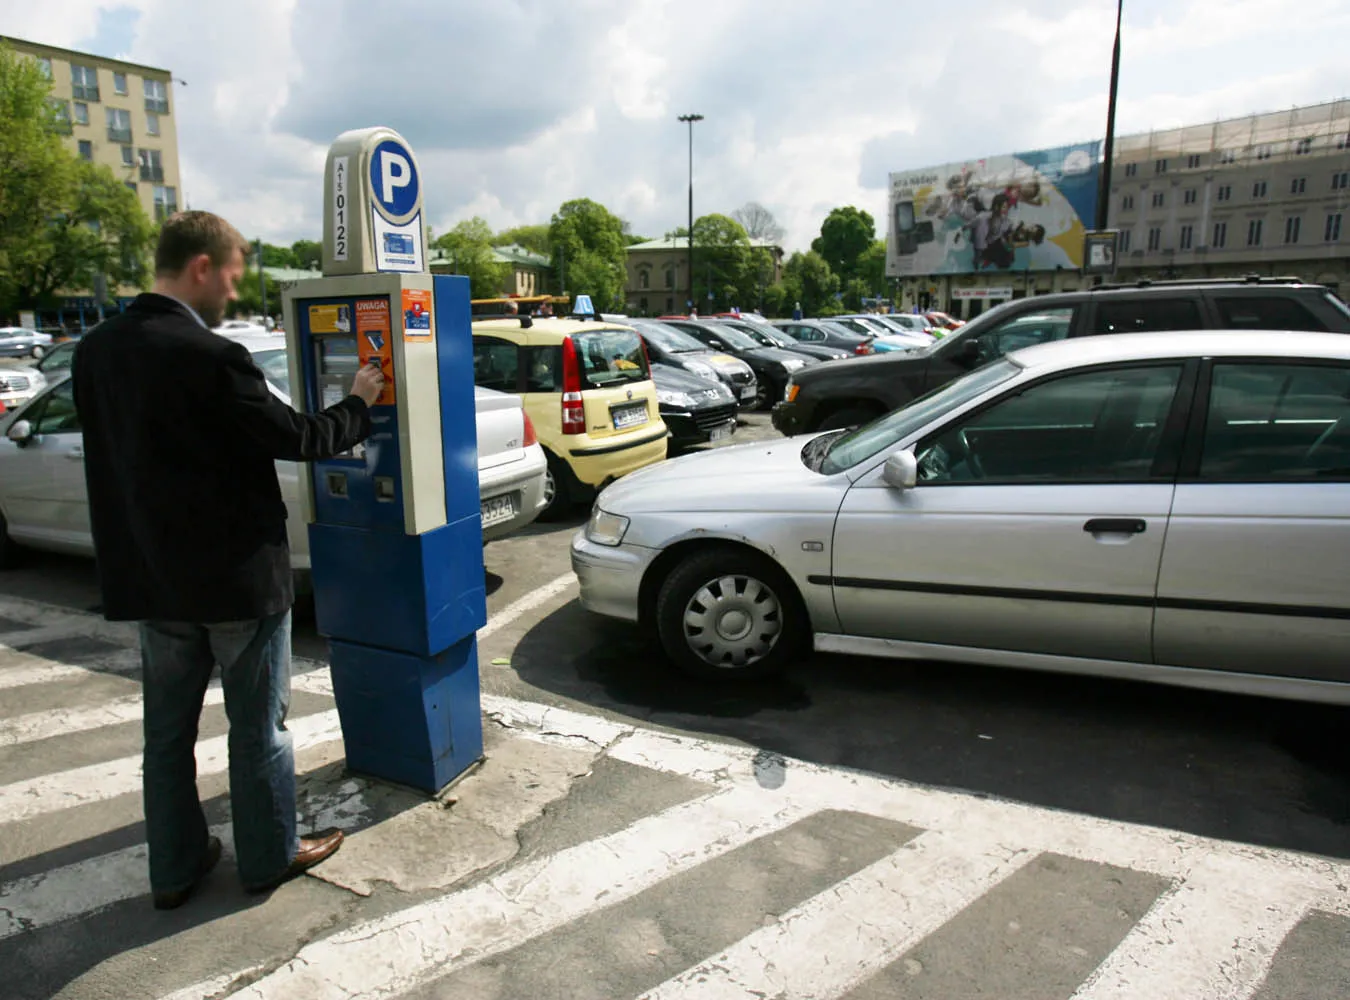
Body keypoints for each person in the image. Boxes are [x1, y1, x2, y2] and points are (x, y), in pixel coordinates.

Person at [71, 211, 385, 910]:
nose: (234, 292)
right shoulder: (213, 356)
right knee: (258, 731)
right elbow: (298, 437)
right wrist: (359, 404)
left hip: (151, 579)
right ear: (203, 267)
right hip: (236, 582)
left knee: (165, 737)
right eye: (234, 275)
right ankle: (268, 856)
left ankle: (175, 869)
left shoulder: (95, 351)